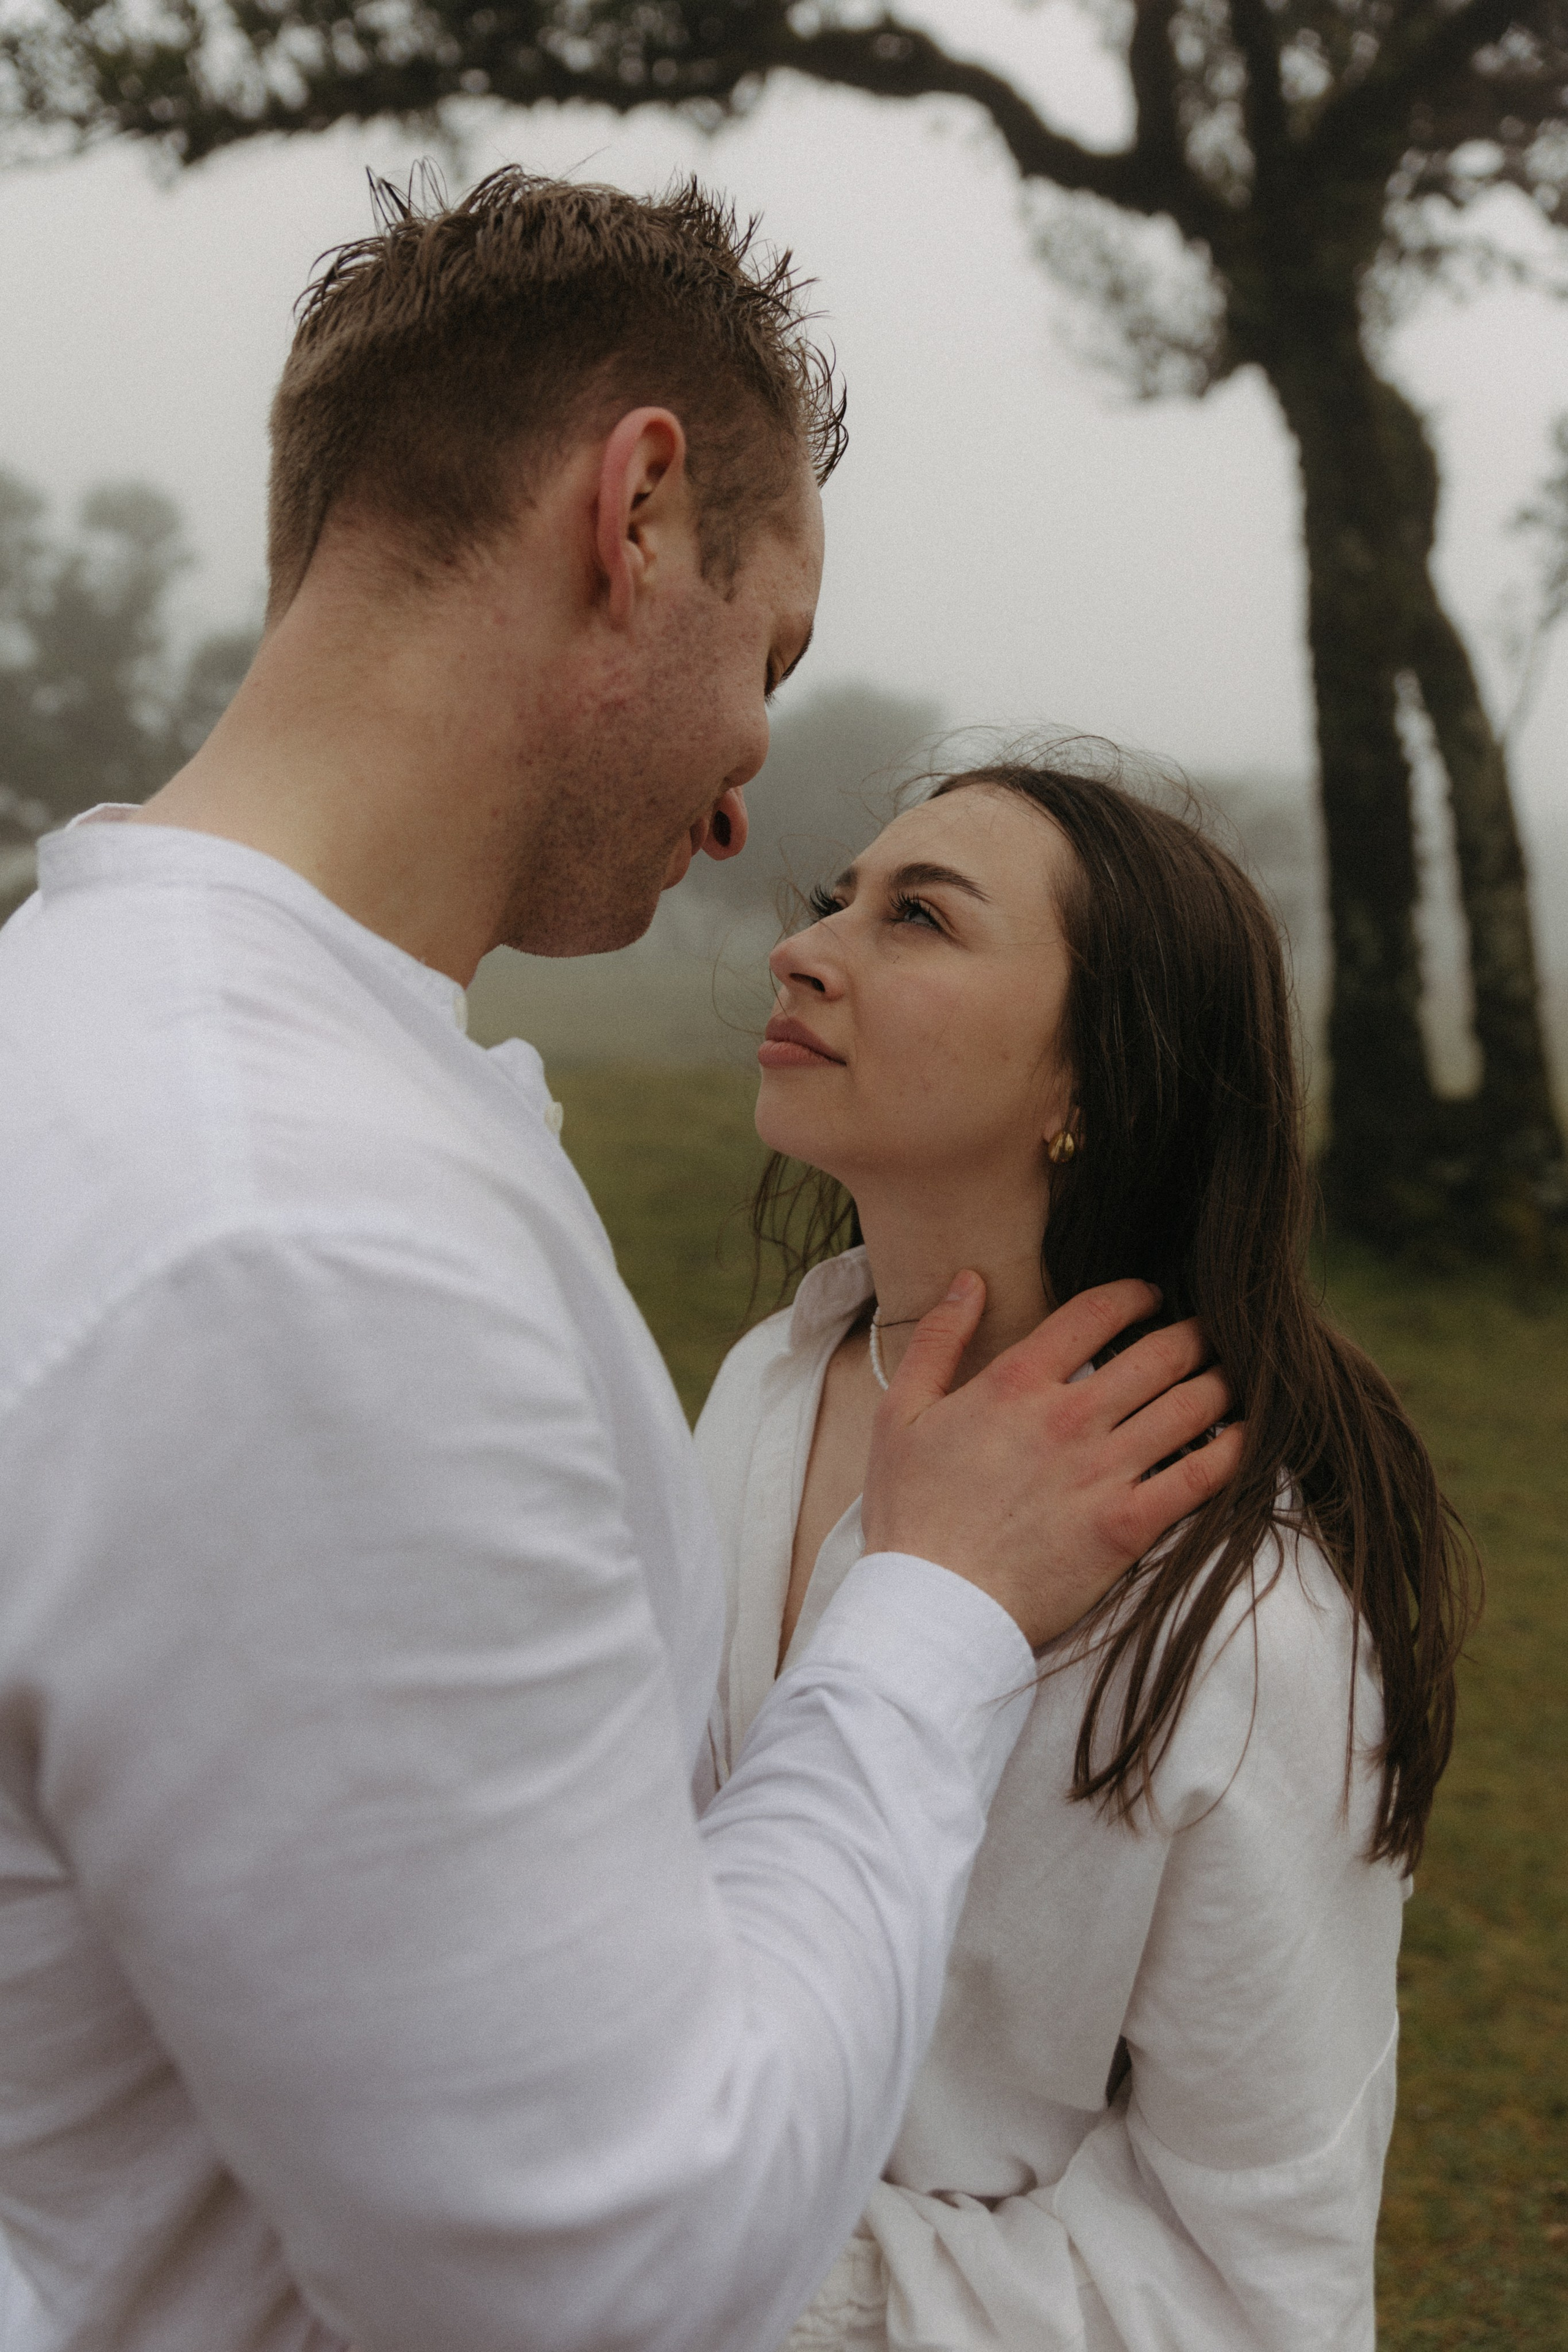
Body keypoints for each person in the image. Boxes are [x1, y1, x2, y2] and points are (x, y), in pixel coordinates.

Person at [0, 175, 1241, 2352]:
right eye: (771, 659)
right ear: (639, 506)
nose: (756, 792)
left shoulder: (142, 1036)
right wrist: (930, 1615)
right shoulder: (295, 1242)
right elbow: (605, 2276)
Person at [695, 758, 1478, 2352]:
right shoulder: (759, 1392)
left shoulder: (1246, 1625)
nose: (808, 944)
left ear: (1095, 1086)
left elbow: (1256, 2294)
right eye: (837, 896)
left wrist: (737, 2269)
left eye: (919, 917)